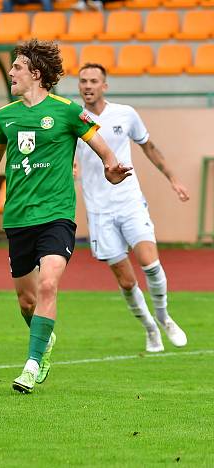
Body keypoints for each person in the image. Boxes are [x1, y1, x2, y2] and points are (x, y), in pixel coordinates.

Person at [0, 39, 132, 394]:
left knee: (49, 284)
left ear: (35, 74)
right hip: (18, 218)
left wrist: (112, 167)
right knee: (26, 301)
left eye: (17, 67)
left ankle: (32, 364)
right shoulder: (6, 115)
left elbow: (101, 148)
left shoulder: (68, 111)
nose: (11, 73)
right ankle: (44, 340)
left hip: (56, 215)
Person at [74, 63, 188, 352]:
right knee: (126, 282)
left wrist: (173, 179)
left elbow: (149, 147)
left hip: (129, 201)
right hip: (99, 210)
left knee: (150, 263)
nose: (88, 86)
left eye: (93, 81)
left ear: (104, 86)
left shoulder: (125, 114)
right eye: (83, 81)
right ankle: (150, 329)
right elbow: (66, 157)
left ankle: (164, 318)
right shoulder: (73, 118)